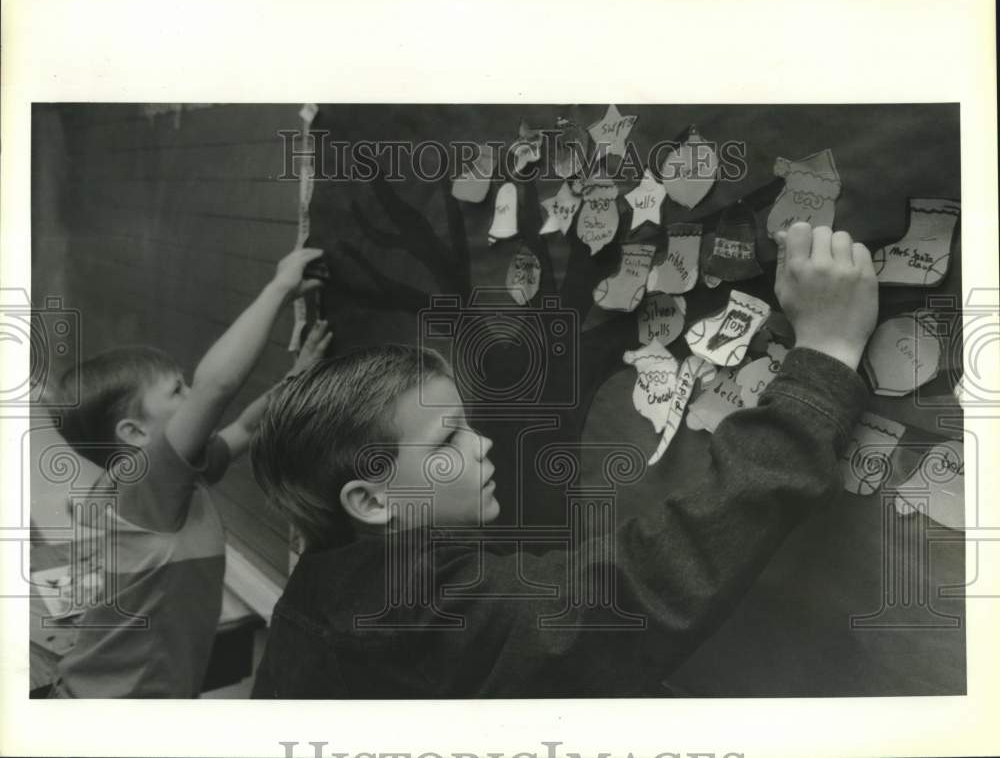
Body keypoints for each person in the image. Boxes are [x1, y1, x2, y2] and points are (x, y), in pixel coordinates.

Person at [249, 222, 879, 697]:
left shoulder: (322, 587)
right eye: (447, 441)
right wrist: (822, 362)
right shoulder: (412, 616)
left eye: (467, 425)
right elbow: (635, 592)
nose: (482, 444)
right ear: (370, 499)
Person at [50, 247, 330, 698]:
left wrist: (297, 379)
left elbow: (246, 427)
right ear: (134, 433)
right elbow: (217, 387)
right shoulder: (145, 485)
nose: (192, 394)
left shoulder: (175, 482)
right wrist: (278, 289)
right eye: (177, 390)